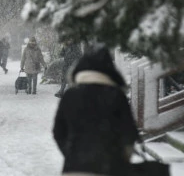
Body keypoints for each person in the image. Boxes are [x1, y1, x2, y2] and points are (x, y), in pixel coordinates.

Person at [53, 47, 140, 176]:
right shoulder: (115, 95)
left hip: (75, 167)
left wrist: (71, 152)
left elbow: (58, 131)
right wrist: (123, 157)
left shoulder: (71, 95)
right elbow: (128, 131)